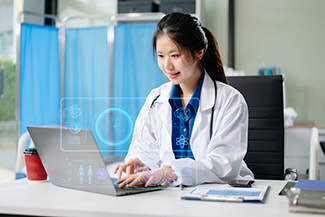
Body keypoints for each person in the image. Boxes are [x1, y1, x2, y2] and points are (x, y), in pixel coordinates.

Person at [114, 12, 254, 188]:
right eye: (161, 56)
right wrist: (143, 166)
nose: (167, 65)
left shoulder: (230, 100)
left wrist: (169, 173)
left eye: (175, 55)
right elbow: (143, 148)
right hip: (170, 195)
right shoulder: (155, 99)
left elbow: (224, 164)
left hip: (218, 196)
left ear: (199, 54)